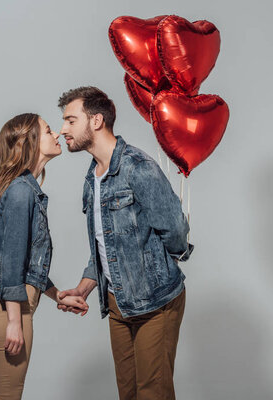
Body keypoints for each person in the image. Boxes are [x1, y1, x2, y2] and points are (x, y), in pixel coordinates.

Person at [56, 87, 194, 400]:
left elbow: (174, 229)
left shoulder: (137, 168)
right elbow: (106, 242)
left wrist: (153, 270)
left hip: (155, 302)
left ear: (96, 121)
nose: (63, 129)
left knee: (152, 394)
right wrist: (85, 286)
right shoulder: (93, 176)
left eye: (70, 120)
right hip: (118, 304)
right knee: (129, 393)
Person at [0, 113, 88, 400]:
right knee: (7, 396)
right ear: (31, 143)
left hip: (12, 306)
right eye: (49, 131)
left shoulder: (25, 189)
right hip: (10, 310)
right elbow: (12, 261)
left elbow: (26, 263)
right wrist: (14, 321)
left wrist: (57, 295)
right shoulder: (22, 192)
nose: (57, 135)